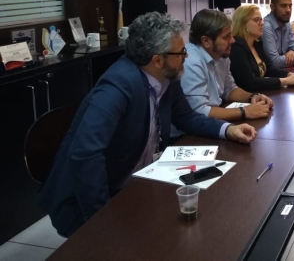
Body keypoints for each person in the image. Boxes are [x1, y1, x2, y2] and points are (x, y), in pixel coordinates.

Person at [38, 12, 256, 237]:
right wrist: (102, 222)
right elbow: (85, 153)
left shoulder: (167, 75)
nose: (186, 56)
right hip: (89, 200)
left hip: (136, 180)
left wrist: (228, 129)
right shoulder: (118, 86)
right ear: (157, 60)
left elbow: (186, 117)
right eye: (181, 52)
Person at [180, 8, 274, 122]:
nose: (233, 41)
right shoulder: (191, 63)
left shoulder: (220, 53)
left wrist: (252, 97)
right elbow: (200, 111)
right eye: (226, 37)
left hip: (212, 121)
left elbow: (229, 89)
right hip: (190, 130)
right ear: (206, 41)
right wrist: (245, 112)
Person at [229, 4, 294, 91]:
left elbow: (269, 68)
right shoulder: (236, 47)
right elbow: (250, 83)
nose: (262, 23)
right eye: (256, 20)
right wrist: (286, 81)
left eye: (261, 19)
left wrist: (289, 75)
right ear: (243, 23)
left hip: (259, 93)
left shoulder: (256, 43)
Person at [262, 0, 294, 68]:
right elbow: (275, 62)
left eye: (290, 6)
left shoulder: (286, 23)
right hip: (270, 73)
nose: (288, 10)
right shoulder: (266, 26)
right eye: (283, 6)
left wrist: (292, 51)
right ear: (272, 7)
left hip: (285, 70)